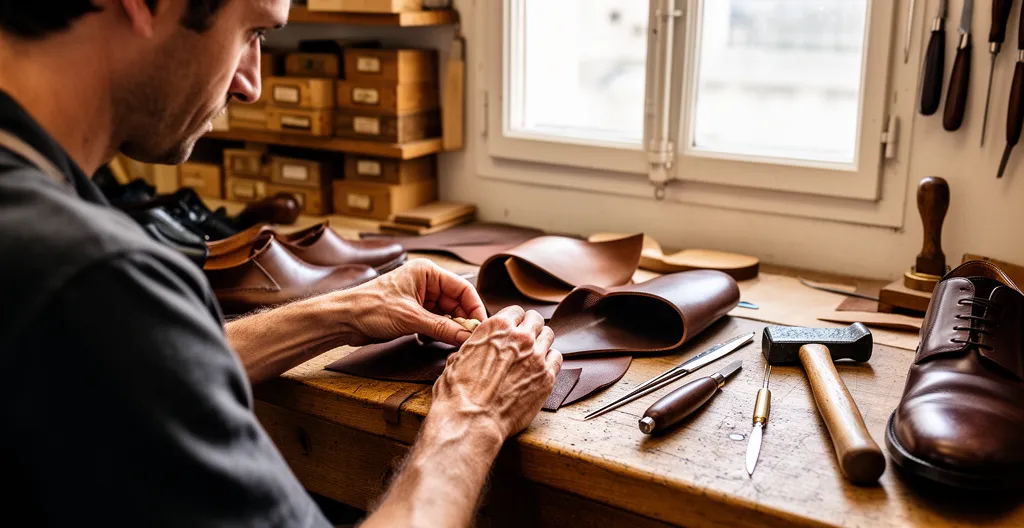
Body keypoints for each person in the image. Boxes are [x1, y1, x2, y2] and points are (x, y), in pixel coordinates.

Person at [0, 1, 562, 526]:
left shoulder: (49, 251)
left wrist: (345, 311)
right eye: (251, 31)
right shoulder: (90, 280)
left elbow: (129, 369)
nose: (251, 84)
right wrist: (472, 414)